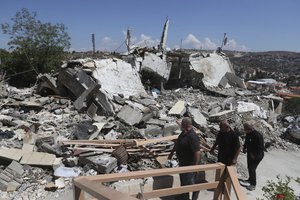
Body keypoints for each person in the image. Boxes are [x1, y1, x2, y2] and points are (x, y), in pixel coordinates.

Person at [168, 117, 202, 200]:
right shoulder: (183, 133)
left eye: (182, 123)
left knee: (190, 182)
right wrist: (171, 153)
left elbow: (197, 153)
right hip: (183, 163)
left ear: (186, 124)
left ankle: (195, 195)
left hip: (190, 165)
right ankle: (184, 196)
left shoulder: (192, 136)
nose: (181, 125)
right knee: (183, 181)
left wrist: (196, 167)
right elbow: (178, 143)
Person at [241, 122, 264, 191]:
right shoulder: (248, 134)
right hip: (250, 154)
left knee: (252, 169)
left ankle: (253, 184)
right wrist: (244, 148)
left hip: (257, 155)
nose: (245, 131)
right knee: (249, 167)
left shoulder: (257, 135)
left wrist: (254, 155)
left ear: (250, 128)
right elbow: (247, 142)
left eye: (246, 129)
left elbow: (260, 147)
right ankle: (250, 179)